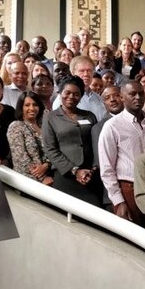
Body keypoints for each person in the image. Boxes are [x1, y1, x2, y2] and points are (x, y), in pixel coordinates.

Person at [98, 81, 145, 224]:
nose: (137, 97)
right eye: (132, 94)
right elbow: (107, 169)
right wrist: (118, 201)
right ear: (121, 97)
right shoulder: (112, 127)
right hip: (130, 190)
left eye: (141, 94)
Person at [42, 75, 101, 205]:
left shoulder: (89, 116)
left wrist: (93, 168)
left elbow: (96, 144)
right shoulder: (50, 117)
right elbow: (50, 149)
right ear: (60, 93)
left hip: (89, 175)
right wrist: (75, 171)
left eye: (76, 94)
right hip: (65, 175)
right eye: (67, 93)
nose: (71, 97)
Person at [7, 91, 53, 185]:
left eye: (35, 105)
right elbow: (21, 159)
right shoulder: (16, 126)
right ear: (21, 108)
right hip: (29, 180)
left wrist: (46, 165)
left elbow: (54, 149)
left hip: (50, 172)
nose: (32, 108)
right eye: (27, 105)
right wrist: (42, 178)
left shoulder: (44, 126)